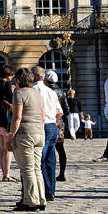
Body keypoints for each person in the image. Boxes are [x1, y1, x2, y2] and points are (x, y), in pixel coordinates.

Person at [9, 68, 47, 211]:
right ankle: (41, 199)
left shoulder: (19, 94)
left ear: (18, 80)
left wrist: (11, 136)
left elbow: (17, 117)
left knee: (27, 169)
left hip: (25, 133)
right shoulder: (37, 94)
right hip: (39, 133)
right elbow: (43, 117)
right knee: (37, 168)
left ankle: (30, 201)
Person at [33, 70, 63, 200]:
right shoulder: (51, 92)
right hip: (52, 125)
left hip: (41, 125)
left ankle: (45, 189)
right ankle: (51, 190)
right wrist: (52, 119)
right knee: (50, 161)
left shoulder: (34, 90)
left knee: (39, 160)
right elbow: (60, 112)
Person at [0, 66, 16, 182]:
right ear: (8, 75)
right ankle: (6, 175)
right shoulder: (7, 84)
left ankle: (4, 172)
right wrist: (14, 90)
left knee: (1, 148)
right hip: (6, 118)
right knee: (7, 149)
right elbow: (12, 98)